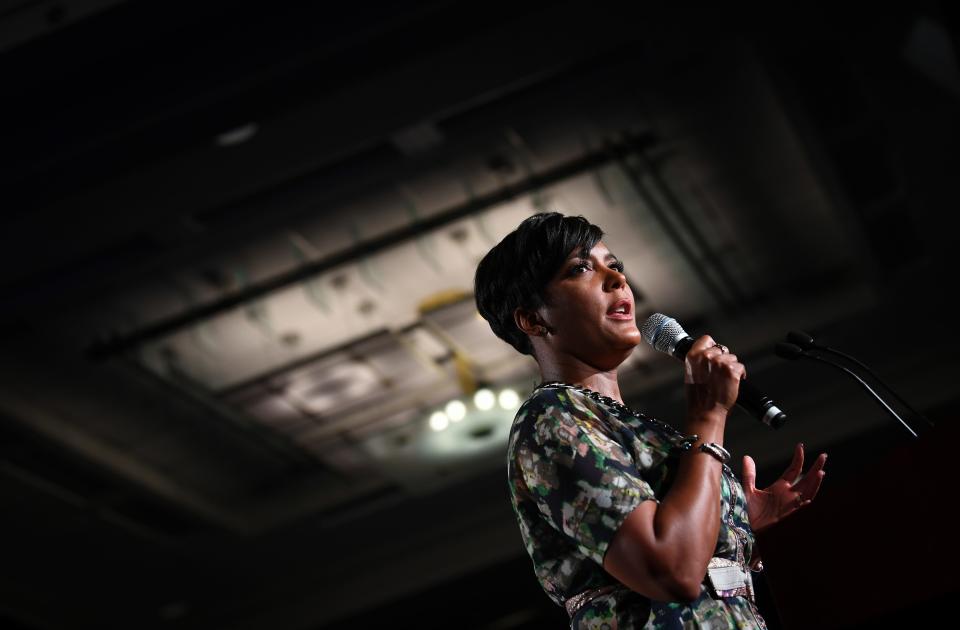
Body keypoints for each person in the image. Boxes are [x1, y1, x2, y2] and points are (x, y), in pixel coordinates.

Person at [474, 212, 827, 628]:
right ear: (533, 319)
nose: (616, 279)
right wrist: (709, 416)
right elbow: (670, 570)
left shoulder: (627, 424)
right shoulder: (552, 419)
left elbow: (691, 557)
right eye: (581, 268)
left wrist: (736, 527)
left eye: (615, 265)